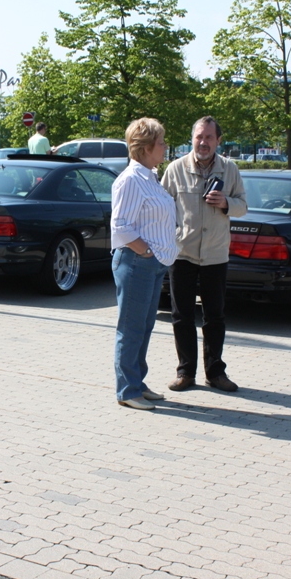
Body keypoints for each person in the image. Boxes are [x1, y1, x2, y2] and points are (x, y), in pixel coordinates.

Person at [161, 116, 247, 393]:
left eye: (209, 137)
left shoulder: (230, 169)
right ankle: (185, 372)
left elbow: (243, 206)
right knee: (181, 316)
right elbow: (161, 207)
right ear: (192, 138)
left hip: (215, 254)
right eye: (199, 136)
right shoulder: (175, 169)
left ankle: (215, 372)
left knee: (214, 316)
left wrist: (226, 203)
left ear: (218, 140)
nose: (203, 142)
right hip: (182, 253)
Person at [111, 118, 179, 410]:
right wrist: (146, 251)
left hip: (153, 264)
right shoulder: (130, 179)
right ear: (147, 147)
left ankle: (137, 382)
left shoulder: (150, 176)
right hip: (137, 263)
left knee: (144, 326)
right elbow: (120, 226)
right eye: (161, 143)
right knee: (131, 328)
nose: (165, 147)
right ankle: (127, 390)